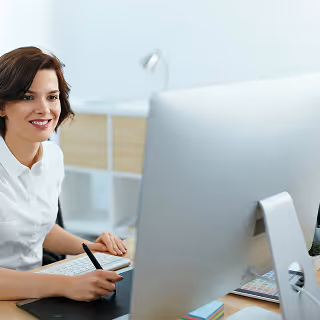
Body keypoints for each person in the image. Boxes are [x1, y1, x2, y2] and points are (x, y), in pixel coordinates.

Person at [0, 46, 126, 301]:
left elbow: (38, 228)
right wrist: (64, 286)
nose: (44, 109)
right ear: (1, 106)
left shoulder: (53, 158)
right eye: (27, 97)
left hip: (35, 296)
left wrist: (91, 248)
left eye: (52, 96)